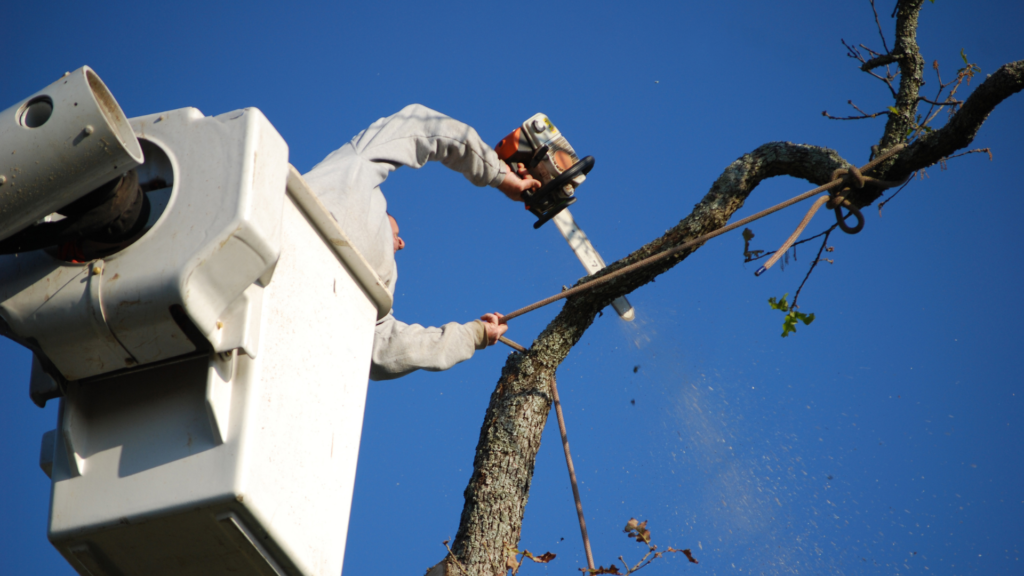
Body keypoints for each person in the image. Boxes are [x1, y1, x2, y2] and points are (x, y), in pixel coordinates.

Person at [303, 104, 539, 380]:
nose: (402, 243)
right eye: (396, 230)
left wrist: (474, 334)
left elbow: (386, 352)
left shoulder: (377, 300)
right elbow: (422, 126)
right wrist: (499, 175)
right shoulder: (352, 175)